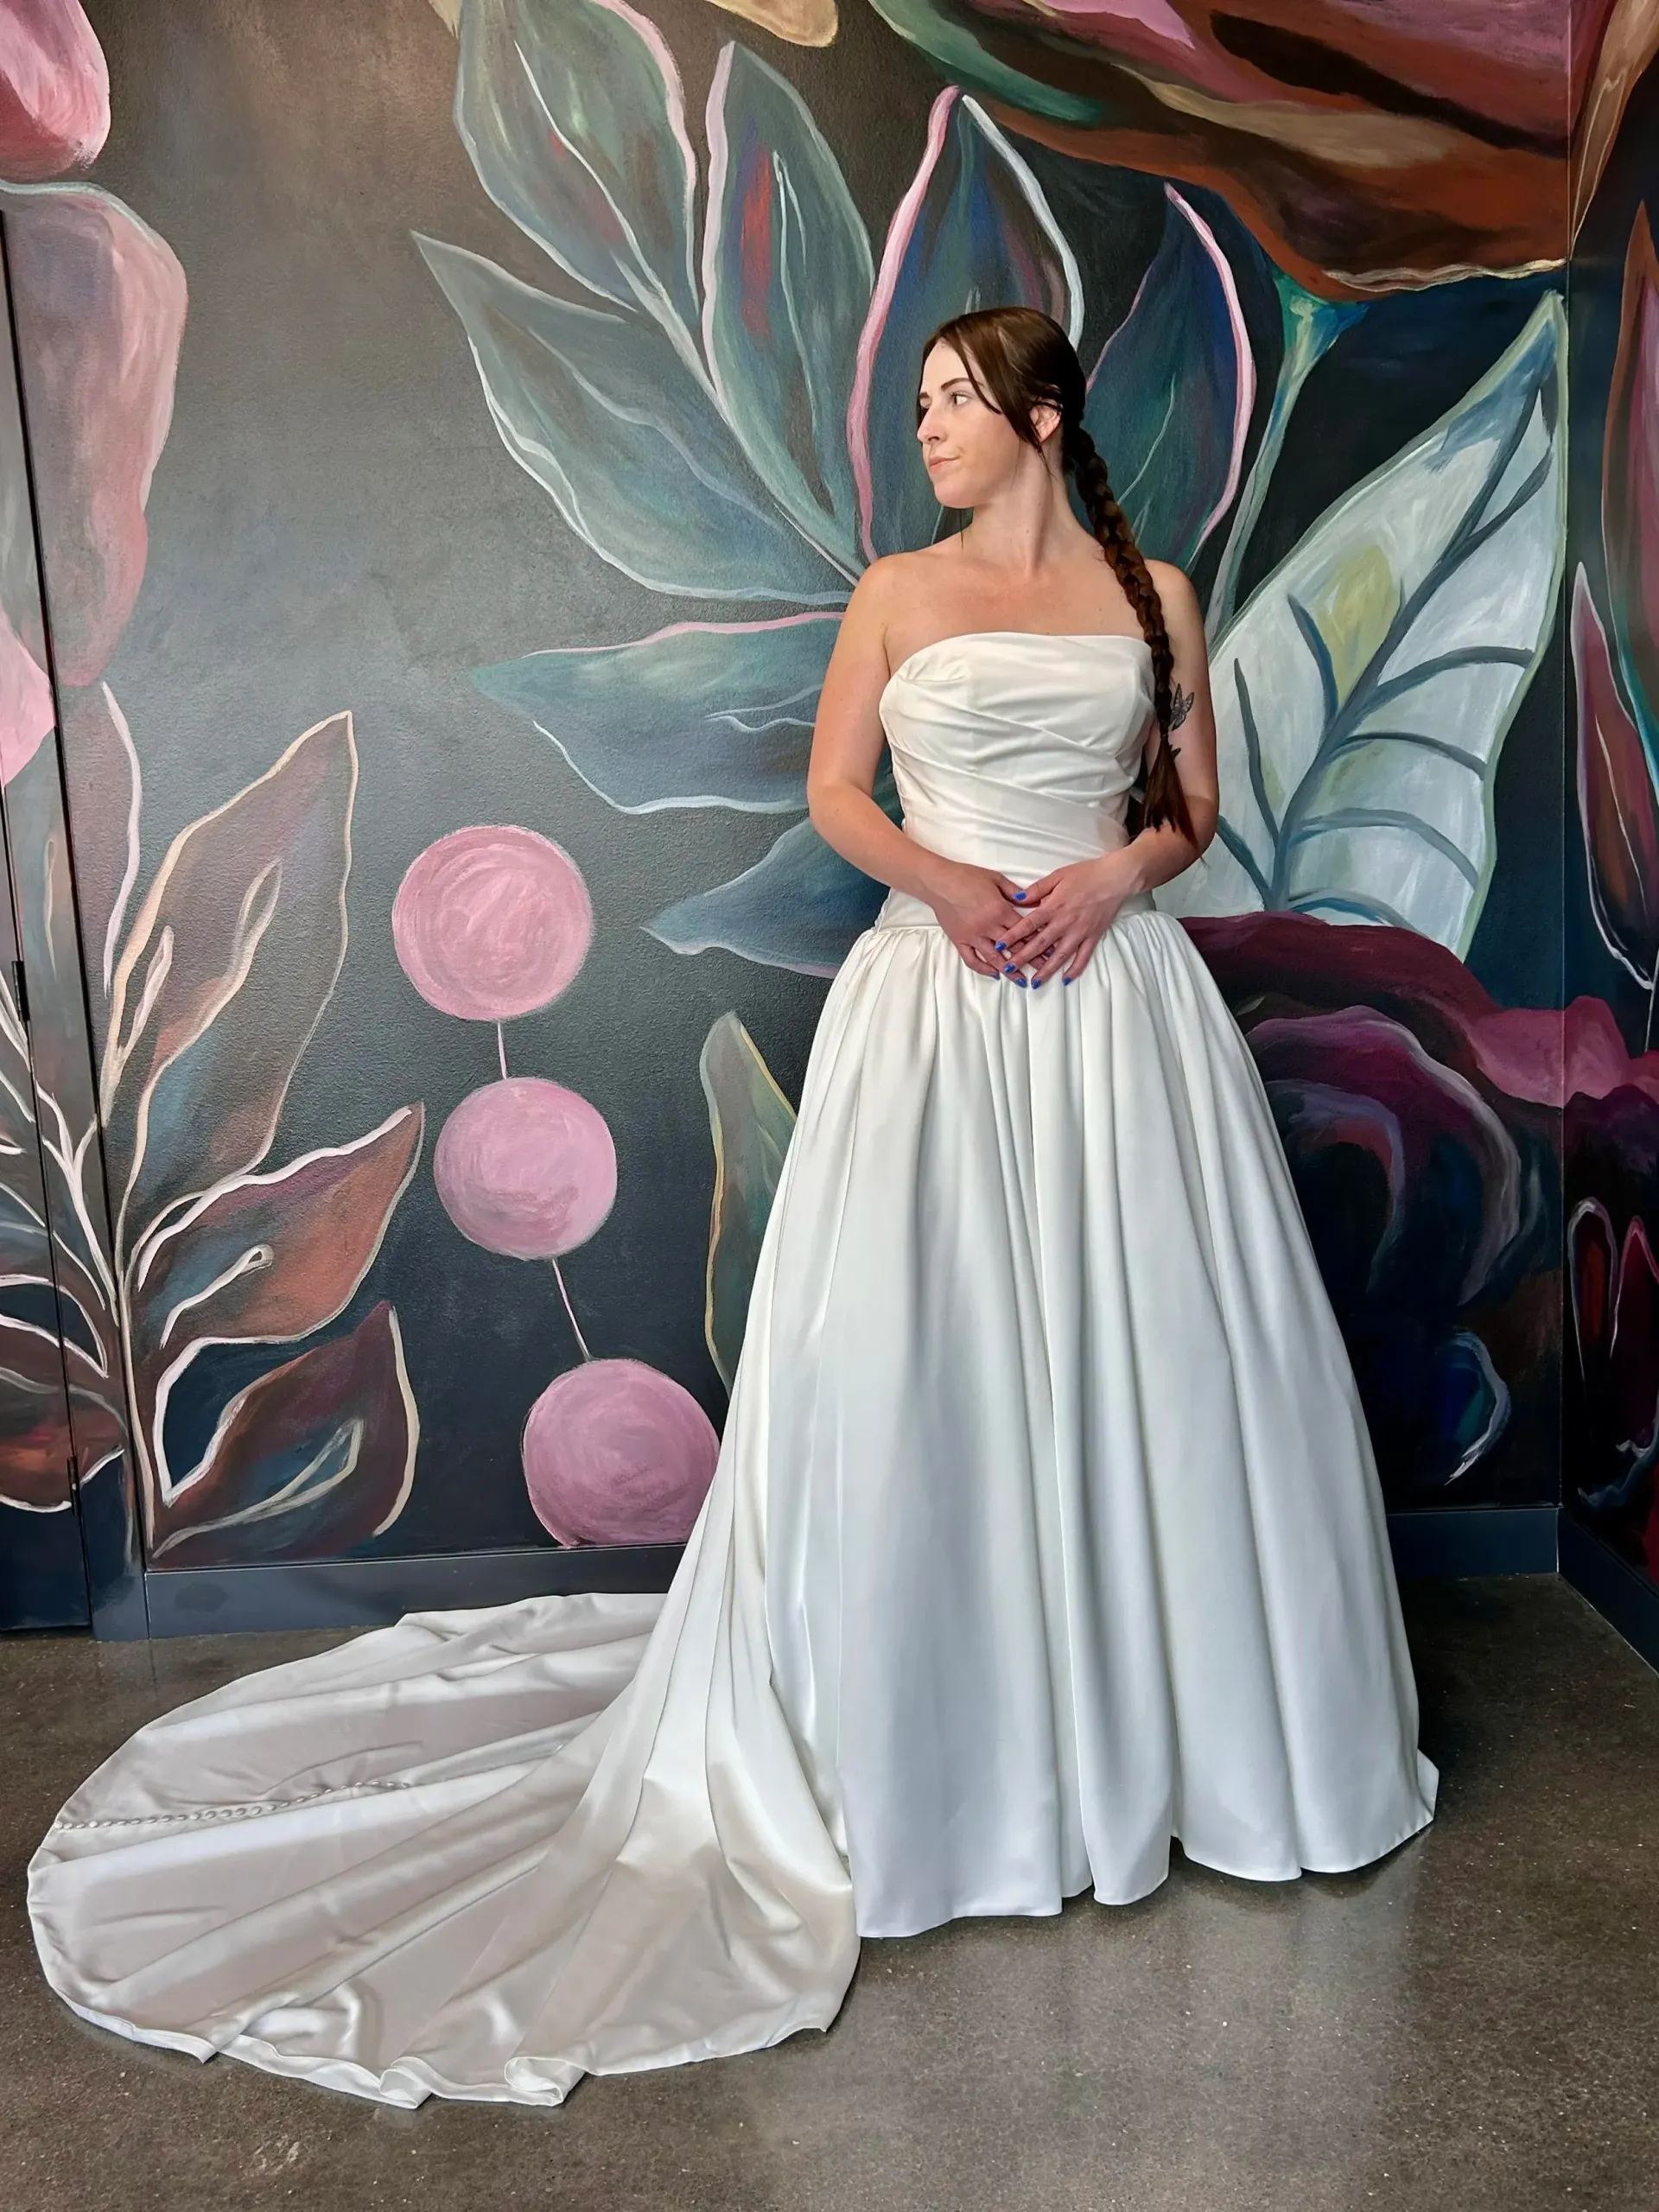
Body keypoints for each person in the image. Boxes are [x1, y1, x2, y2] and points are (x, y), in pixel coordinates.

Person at [27, 306, 1437, 2110]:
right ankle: (947, 1762)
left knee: (1154, 1359)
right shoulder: (891, 598)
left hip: (1117, 1016)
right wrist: (951, 884)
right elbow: (837, 792)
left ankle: (1171, 1754)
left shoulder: (1153, 585)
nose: (922, 425)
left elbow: (1194, 805)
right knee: (921, 1371)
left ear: (1046, 410)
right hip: (939, 1010)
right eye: (919, 399)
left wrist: (1101, 880)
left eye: (951, 399)